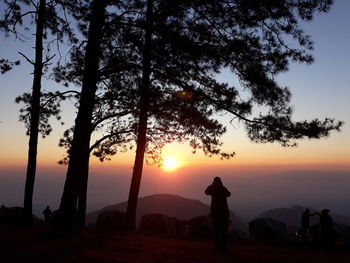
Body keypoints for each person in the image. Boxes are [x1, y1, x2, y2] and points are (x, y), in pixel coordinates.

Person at [205, 177, 231, 252]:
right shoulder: (223, 189)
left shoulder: (213, 189)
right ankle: (224, 247)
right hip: (224, 213)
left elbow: (206, 192)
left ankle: (216, 246)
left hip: (215, 213)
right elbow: (229, 194)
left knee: (216, 230)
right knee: (224, 231)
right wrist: (223, 187)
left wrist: (210, 185)